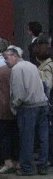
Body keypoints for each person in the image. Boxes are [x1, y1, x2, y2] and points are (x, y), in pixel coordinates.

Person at [3, 45, 49, 176]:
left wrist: (14, 106)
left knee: (27, 138)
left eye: (6, 58)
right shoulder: (32, 65)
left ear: (14, 56)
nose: (5, 61)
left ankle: (27, 168)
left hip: (28, 107)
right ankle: (43, 166)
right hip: (42, 103)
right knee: (43, 137)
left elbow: (18, 93)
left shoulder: (17, 69)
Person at [0, 58, 19, 173]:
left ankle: (7, 162)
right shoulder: (20, 69)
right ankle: (17, 161)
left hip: (1, 107)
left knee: (4, 136)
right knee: (16, 136)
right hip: (17, 107)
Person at [35, 37, 53, 168]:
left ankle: (48, 158)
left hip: (48, 102)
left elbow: (47, 85)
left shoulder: (46, 67)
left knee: (48, 132)